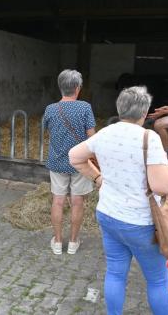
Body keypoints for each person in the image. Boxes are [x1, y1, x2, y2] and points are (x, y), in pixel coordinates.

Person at [69, 86, 168, 314]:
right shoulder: (150, 138)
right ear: (145, 113)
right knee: (158, 280)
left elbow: (74, 156)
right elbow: (163, 186)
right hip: (140, 223)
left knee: (116, 273)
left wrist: (98, 178)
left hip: (108, 215)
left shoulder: (105, 133)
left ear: (120, 109)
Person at [42, 69, 96, 255]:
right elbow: (91, 137)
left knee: (57, 201)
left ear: (61, 87)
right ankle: (73, 242)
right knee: (77, 201)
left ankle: (57, 242)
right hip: (80, 162)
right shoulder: (85, 108)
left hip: (57, 162)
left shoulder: (50, 109)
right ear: (77, 88)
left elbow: (46, 131)